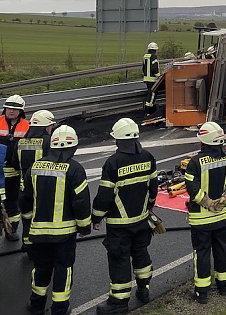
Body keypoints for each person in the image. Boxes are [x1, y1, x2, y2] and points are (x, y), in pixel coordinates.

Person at [20, 125, 91, 315]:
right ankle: (59, 308)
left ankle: (36, 306)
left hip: (38, 234)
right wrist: (84, 227)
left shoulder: (35, 168)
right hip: (64, 235)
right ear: (73, 147)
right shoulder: (75, 169)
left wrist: (28, 220)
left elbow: (24, 198)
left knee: (40, 269)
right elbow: (81, 202)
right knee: (63, 270)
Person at [91, 118, 160, 314]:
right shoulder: (148, 157)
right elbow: (153, 189)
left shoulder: (113, 163)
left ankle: (118, 303)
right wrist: (148, 208)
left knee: (120, 260)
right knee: (141, 253)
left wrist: (96, 218)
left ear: (118, 140)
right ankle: (144, 289)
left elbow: (104, 197)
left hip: (119, 225)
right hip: (142, 219)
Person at [184, 121, 226, 304]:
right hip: (224, 217)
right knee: (222, 250)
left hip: (201, 220)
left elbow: (192, 190)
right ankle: (224, 285)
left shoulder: (194, 163)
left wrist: (208, 203)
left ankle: (202, 292)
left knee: (201, 253)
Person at [17, 110, 56, 255]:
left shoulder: (20, 142)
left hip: (24, 187)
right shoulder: (48, 142)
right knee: (43, 217)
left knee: (27, 217)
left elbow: (15, 164)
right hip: (42, 187)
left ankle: (27, 244)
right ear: (46, 127)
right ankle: (43, 245)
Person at [0, 95, 29, 241]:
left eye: (15, 109)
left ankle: (11, 230)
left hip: (15, 171)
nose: (11, 111)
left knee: (13, 202)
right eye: (9, 108)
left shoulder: (27, 125)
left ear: (21, 111)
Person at [142, 42, 160, 116]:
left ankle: (148, 110)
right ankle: (148, 111)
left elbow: (143, 68)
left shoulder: (145, 56)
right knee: (152, 95)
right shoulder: (154, 57)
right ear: (155, 49)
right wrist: (158, 76)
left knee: (150, 94)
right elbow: (154, 68)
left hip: (147, 79)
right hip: (152, 79)